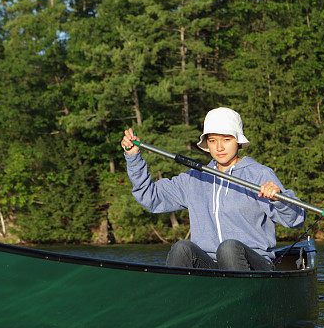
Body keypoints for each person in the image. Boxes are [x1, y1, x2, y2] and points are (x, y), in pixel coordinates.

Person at [121, 107, 306, 271]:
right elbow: (150, 197)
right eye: (212, 140)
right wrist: (133, 158)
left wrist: (278, 198)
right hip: (211, 267)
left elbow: (295, 219)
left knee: (229, 248)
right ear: (206, 145)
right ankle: (175, 302)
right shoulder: (194, 179)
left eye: (226, 139)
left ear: (238, 142)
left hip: (254, 267)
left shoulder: (259, 175)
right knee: (182, 248)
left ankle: (240, 302)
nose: (219, 147)